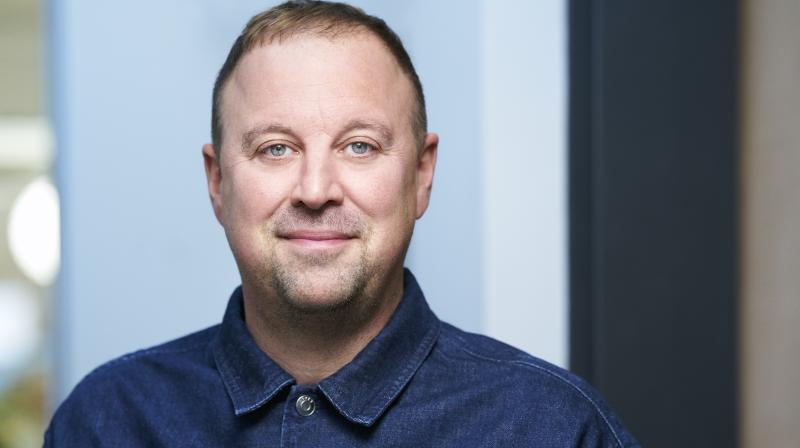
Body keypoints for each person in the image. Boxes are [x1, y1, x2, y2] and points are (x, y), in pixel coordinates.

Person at [45, 1, 638, 446]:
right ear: (218, 182)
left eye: (359, 146)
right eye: (276, 149)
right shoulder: (107, 421)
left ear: (421, 176)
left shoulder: (552, 428)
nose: (315, 191)